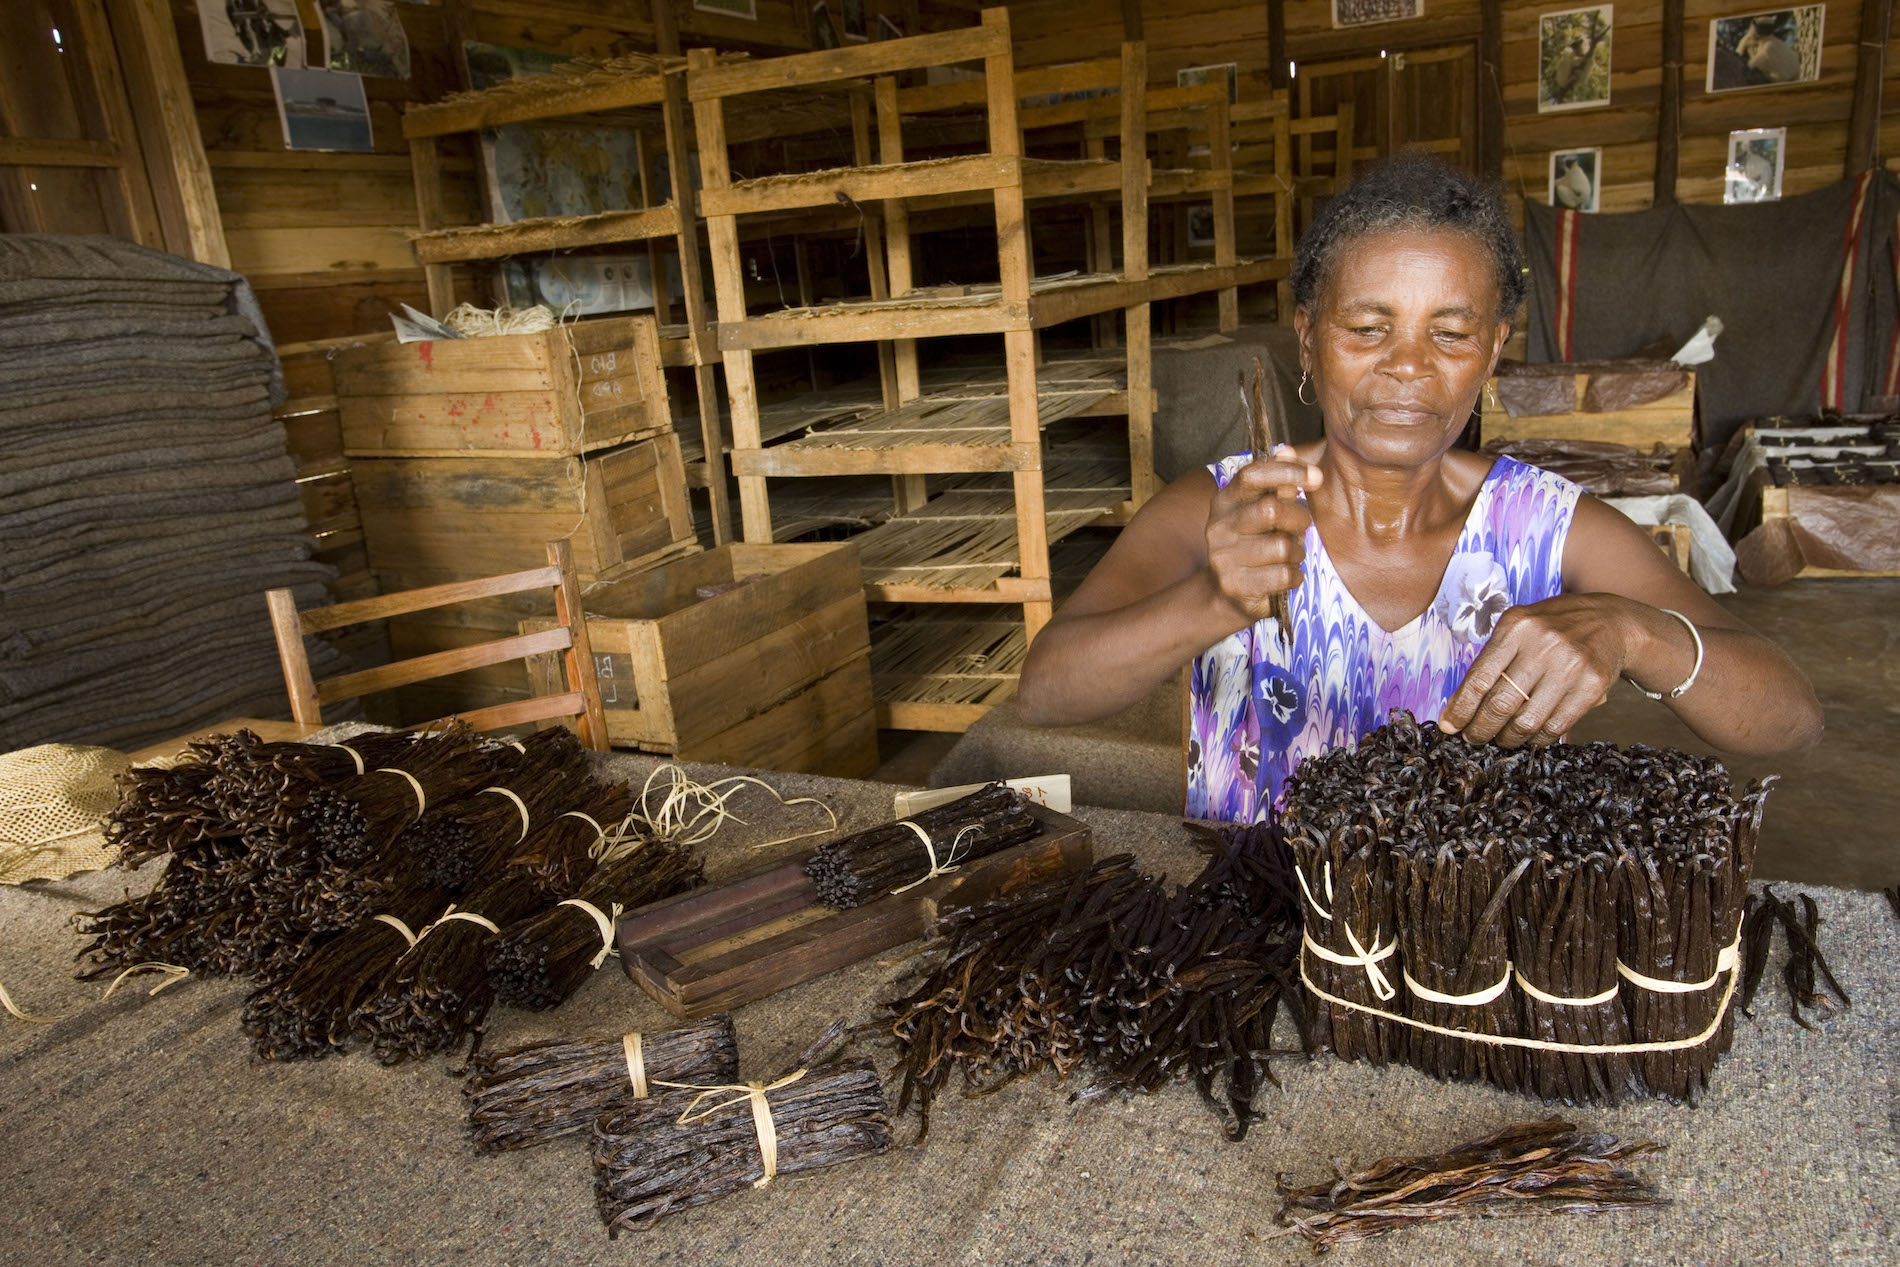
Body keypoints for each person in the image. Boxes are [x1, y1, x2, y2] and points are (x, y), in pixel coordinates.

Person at [1016, 151, 1822, 824]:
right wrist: (1214, 602)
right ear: (1307, 336)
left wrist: (1635, 632)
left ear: (1495, 348)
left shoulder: (1546, 529)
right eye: (1368, 328)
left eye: (1451, 332)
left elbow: (1790, 717)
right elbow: (1048, 689)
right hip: (1255, 933)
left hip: (1472, 947)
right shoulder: (1224, 509)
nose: (1408, 365)